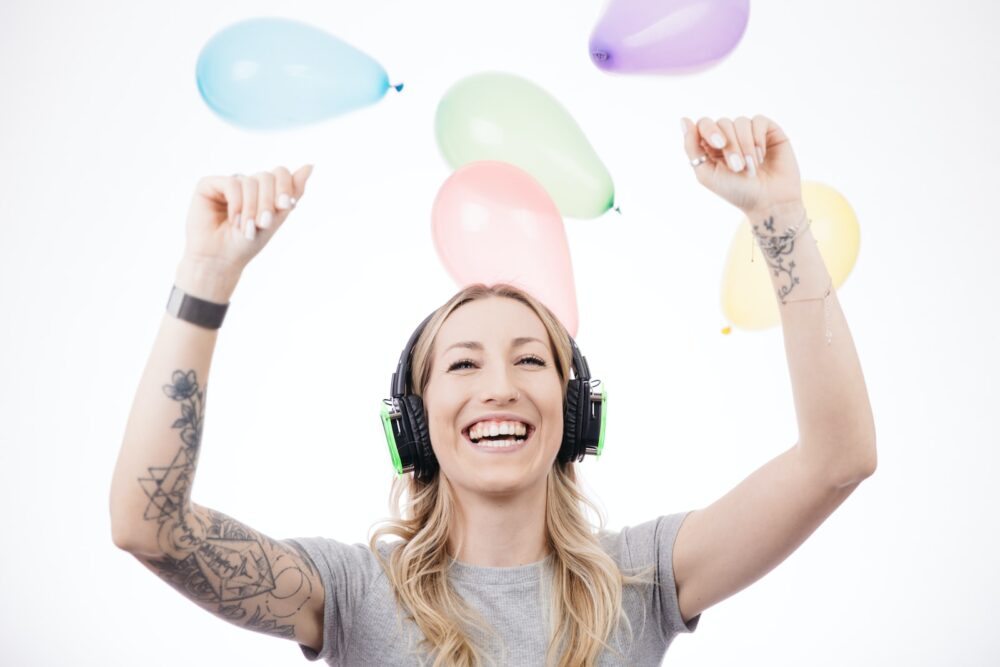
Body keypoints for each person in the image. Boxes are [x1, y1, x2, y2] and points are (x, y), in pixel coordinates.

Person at [110, 115, 877, 667]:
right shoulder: (349, 592)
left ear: (576, 413)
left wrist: (776, 215)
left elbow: (838, 458)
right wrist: (206, 278)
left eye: (531, 361)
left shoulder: (643, 577)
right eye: (465, 364)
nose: (501, 388)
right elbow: (148, 526)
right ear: (414, 421)